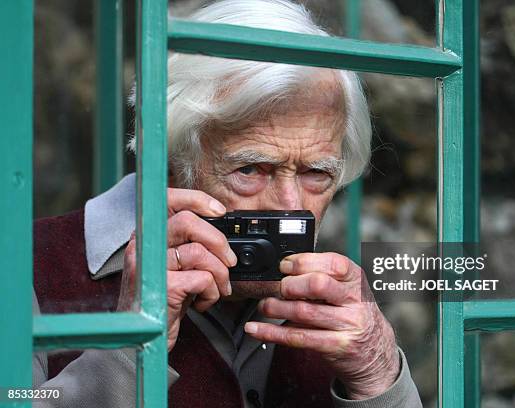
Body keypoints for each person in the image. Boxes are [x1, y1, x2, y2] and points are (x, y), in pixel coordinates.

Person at [32, 1, 423, 407]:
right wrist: (126, 353)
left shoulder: (335, 301)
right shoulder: (29, 265)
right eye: (251, 170)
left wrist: (378, 375)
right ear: (169, 163)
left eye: (316, 173)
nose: (289, 207)